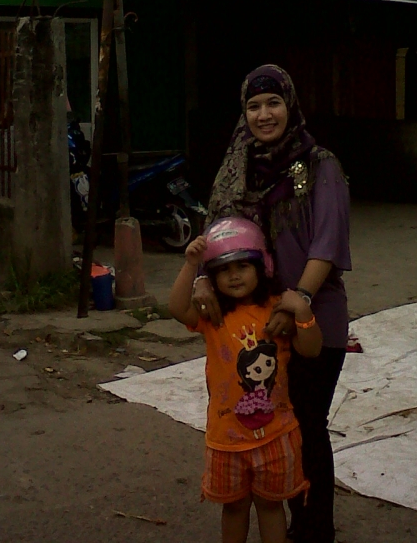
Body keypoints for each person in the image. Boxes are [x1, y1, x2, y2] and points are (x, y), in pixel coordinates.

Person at [192, 65, 351, 543]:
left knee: (306, 427)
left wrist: (296, 299)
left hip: (313, 316)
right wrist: (202, 278)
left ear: (291, 105)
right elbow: (216, 234)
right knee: (264, 427)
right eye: (254, 106)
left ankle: (313, 530)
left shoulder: (321, 165)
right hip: (254, 321)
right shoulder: (236, 166)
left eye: (273, 103)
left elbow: (327, 242)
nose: (264, 115)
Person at [169, 217, 322, 543]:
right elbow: (177, 307)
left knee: (271, 506)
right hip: (227, 440)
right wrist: (190, 265)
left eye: (242, 266)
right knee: (235, 508)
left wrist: (304, 313)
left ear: (261, 266)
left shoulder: (278, 310)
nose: (234, 275)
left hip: (277, 437)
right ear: (212, 276)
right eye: (224, 269)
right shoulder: (213, 315)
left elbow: (311, 349)